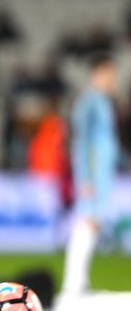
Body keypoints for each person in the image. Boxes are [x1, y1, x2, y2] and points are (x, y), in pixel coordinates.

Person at [62, 54, 119, 297]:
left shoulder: (103, 102)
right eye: (108, 74)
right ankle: (73, 283)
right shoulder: (89, 102)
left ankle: (80, 281)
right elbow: (82, 141)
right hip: (93, 175)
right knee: (87, 222)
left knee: (93, 224)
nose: (112, 79)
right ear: (96, 73)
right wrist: (85, 177)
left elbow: (104, 141)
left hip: (102, 173)